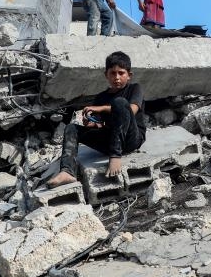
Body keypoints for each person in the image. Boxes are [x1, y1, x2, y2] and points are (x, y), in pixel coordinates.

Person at [47, 51, 146, 187]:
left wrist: (101, 108)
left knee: (120, 103)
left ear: (129, 75)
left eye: (121, 73)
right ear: (106, 75)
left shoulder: (135, 89)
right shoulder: (101, 97)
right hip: (110, 140)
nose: (117, 77)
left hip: (131, 139)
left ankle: (115, 157)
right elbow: (102, 125)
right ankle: (67, 172)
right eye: (112, 73)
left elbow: (132, 110)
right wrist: (91, 124)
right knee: (72, 128)